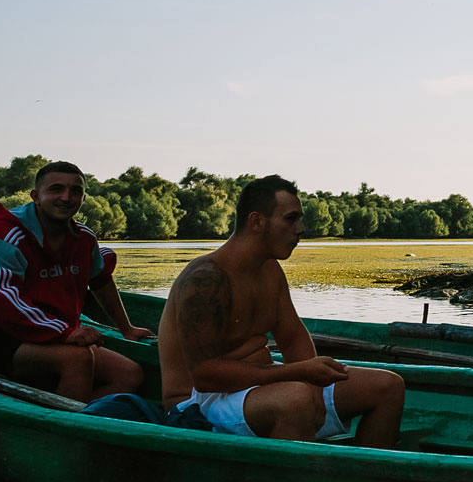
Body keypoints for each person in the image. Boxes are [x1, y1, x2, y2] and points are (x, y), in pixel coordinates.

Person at [155, 175, 405, 447]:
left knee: (387, 387)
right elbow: (204, 377)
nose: (300, 229)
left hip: (259, 383)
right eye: (290, 219)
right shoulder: (204, 280)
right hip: (198, 400)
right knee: (295, 400)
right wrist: (296, 376)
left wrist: (313, 385)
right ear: (256, 222)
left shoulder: (270, 271)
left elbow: (292, 337)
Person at [0, 161, 147, 403]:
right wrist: (63, 332)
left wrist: (126, 328)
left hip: (43, 333)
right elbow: (0, 301)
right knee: (78, 358)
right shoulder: (3, 235)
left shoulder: (84, 238)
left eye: (76, 191)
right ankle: (67, 433)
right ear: (36, 196)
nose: (66, 197)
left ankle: (65, 411)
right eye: (56, 189)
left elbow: (100, 279)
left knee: (129, 374)